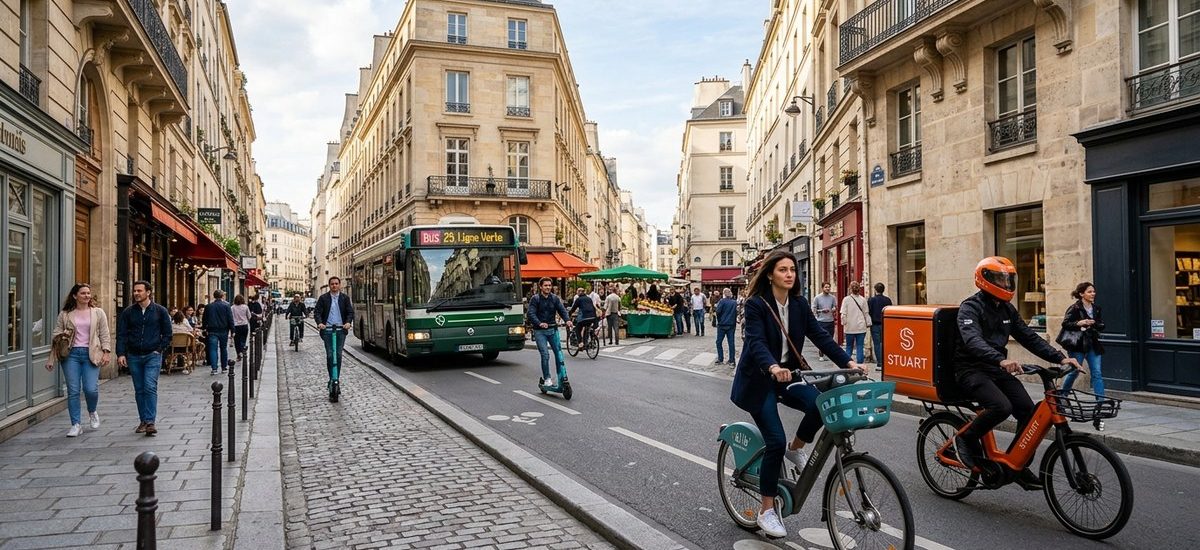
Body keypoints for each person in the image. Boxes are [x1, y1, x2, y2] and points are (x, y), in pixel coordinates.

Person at [731, 251, 859, 538]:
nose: (789, 274)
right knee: (774, 441)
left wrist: (849, 363)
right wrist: (772, 366)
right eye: (783, 270)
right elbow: (755, 341)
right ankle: (766, 510)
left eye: (792, 270)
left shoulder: (799, 304)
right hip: (761, 380)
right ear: (769, 275)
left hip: (790, 375)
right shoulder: (756, 305)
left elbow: (821, 337)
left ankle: (797, 446)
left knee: (820, 404)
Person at [953, 257, 1080, 489]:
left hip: (996, 368)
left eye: (1008, 278)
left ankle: (1016, 464)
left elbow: (1029, 337)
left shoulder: (1007, 309)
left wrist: (1060, 357)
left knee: (1028, 412)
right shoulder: (969, 308)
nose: (1006, 283)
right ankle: (964, 438)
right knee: (1001, 407)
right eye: (1001, 278)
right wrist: (1001, 360)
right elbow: (972, 341)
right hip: (970, 369)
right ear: (985, 279)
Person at [47, 284, 111, 437]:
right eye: (83, 293)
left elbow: (104, 334)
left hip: (92, 354)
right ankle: (76, 424)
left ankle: (92, 411)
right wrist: (52, 358)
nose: (87, 296)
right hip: (71, 355)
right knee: (73, 391)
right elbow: (55, 336)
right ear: (75, 296)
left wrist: (106, 352)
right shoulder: (65, 314)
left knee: (91, 389)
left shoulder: (98, 313)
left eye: (88, 293)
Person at [116, 280, 172, 437]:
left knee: (149, 386)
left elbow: (168, 333)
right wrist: (120, 353)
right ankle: (143, 420)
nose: (136, 293)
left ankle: (150, 422)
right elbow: (121, 334)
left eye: (139, 291)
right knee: (139, 389)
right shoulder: (128, 312)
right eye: (135, 291)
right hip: (134, 355)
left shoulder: (160, 311)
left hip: (152, 355)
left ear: (148, 292)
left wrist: (159, 349)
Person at [1059, 282, 1107, 431]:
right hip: (1078, 345)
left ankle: (1100, 402)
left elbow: (1101, 325)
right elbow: (1065, 323)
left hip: (1092, 344)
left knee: (1097, 373)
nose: (1093, 294)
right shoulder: (1074, 308)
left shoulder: (1096, 308)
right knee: (1074, 371)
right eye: (1089, 292)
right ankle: (1063, 396)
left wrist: (1095, 324)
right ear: (1081, 294)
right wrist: (1080, 323)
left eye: (1094, 291)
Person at [527, 277, 573, 387]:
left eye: (549, 285)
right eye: (545, 285)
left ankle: (560, 376)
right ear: (541, 287)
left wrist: (567, 320)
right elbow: (531, 314)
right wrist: (539, 323)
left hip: (553, 330)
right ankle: (547, 378)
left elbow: (562, 310)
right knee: (545, 354)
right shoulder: (535, 299)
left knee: (559, 354)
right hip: (540, 332)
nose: (548, 287)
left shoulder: (555, 298)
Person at [315, 276, 354, 382]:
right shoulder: (323, 298)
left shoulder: (345, 298)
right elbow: (317, 312)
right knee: (330, 355)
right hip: (327, 330)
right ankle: (332, 377)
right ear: (329, 285)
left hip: (340, 330)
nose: (334, 286)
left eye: (336, 284)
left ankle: (336, 378)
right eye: (332, 284)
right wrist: (320, 323)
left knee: (338, 355)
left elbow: (350, 312)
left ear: (339, 285)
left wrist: (347, 322)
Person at [203, 290, 234, 376]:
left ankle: (214, 368)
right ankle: (224, 367)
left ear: (214, 296)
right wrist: (233, 330)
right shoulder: (226, 306)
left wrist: (204, 328)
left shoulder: (209, 306)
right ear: (222, 296)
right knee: (223, 348)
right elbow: (230, 319)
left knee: (213, 349)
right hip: (224, 330)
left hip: (212, 330)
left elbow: (204, 319)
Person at [840, 281, 870, 364]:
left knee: (849, 347)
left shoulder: (846, 300)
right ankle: (860, 365)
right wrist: (868, 323)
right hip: (861, 326)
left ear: (850, 289)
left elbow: (843, 314)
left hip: (850, 327)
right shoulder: (863, 299)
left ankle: (847, 365)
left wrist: (844, 324)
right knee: (860, 346)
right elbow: (866, 313)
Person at [867, 283, 892, 365]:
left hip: (874, 325)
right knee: (885, 343)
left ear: (875, 290)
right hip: (885, 324)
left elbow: (868, 312)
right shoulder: (888, 300)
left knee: (877, 344)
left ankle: (880, 362)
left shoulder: (871, 300)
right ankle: (886, 360)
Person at [811, 283, 837, 360]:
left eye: (829, 287)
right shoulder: (817, 298)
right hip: (821, 321)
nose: (827, 288)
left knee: (830, 338)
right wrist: (822, 311)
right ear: (822, 288)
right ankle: (821, 355)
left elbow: (835, 307)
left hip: (830, 320)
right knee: (822, 339)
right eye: (826, 287)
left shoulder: (832, 297)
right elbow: (813, 309)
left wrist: (833, 309)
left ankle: (829, 354)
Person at [714, 288, 738, 366]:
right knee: (731, 343)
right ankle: (732, 360)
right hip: (731, 325)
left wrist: (720, 319)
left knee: (719, 342)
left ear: (724, 294)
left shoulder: (722, 301)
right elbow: (736, 313)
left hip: (722, 324)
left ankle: (720, 358)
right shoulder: (734, 302)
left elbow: (718, 311)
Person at [232, 295, 251, 360]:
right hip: (244, 325)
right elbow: (249, 316)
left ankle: (238, 353)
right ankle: (242, 350)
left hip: (236, 326)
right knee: (243, 339)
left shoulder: (232, 307)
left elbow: (231, 317)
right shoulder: (245, 307)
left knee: (236, 341)